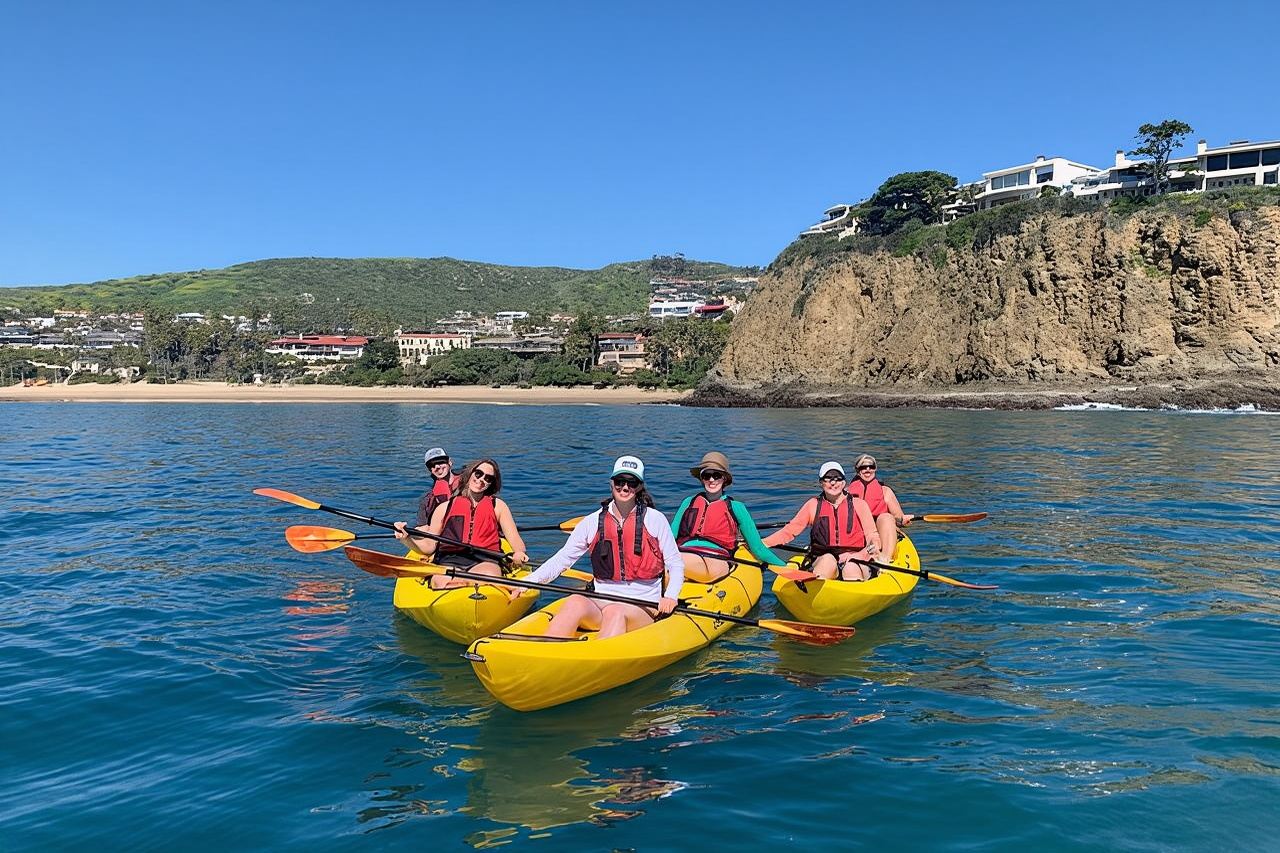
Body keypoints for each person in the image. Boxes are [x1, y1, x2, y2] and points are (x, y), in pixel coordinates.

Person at [513, 455, 684, 640]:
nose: (625, 487)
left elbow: (675, 563)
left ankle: (601, 653)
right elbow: (562, 559)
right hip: (601, 601)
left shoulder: (655, 519)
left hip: (643, 605)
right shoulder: (592, 521)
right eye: (620, 481)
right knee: (575, 601)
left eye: (631, 482)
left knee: (615, 611)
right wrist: (526, 583)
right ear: (611, 483)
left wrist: (671, 596)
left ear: (639, 486)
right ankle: (547, 647)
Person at [395, 457, 529, 590]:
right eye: (478, 473)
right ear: (470, 473)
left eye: (488, 478)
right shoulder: (444, 508)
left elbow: (516, 540)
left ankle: (460, 583)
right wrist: (407, 539)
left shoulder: (498, 506)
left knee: (490, 574)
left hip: (485, 560)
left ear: (491, 483)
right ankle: (477, 583)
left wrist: (519, 553)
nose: (481, 480)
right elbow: (429, 546)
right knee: (439, 581)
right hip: (450, 560)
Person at [671, 451, 788, 582]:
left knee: (669, 564)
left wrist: (786, 568)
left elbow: (758, 548)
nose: (711, 480)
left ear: (724, 479)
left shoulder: (736, 507)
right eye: (706, 475)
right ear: (701, 479)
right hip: (685, 553)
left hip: (714, 560)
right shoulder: (688, 502)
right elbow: (670, 537)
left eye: (717, 475)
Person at [762, 461, 882, 581]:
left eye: (838, 478)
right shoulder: (813, 505)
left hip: (856, 558)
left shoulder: (859, 504)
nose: (833, 483)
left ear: (844, 482)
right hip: (822, 557)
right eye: (828, 478)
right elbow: (789, 531)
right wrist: (762, 544)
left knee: (851, 568)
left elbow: (873, 537)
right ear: (821, 483)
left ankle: (853, 587)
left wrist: (860, 555)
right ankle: (819, 584)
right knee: (828, 561)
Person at [848, 453, 914, 563]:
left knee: (886, 517)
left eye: (871, 466)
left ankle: (885, 558)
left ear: (875, 469)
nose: (868, 469)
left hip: (879, 531)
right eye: (863, 467)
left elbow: (898, 517)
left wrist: (902, 520)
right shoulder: (846, 493)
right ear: (857, 470)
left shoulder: (885, 491)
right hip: (856, 532)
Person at [416, 446, 461, 527]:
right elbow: (421, 527)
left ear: (450, 462)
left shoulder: (472, 484)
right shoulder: (427, 501)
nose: (437, 467)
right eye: (432, 465)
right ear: (430, 470)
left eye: (440, 462)